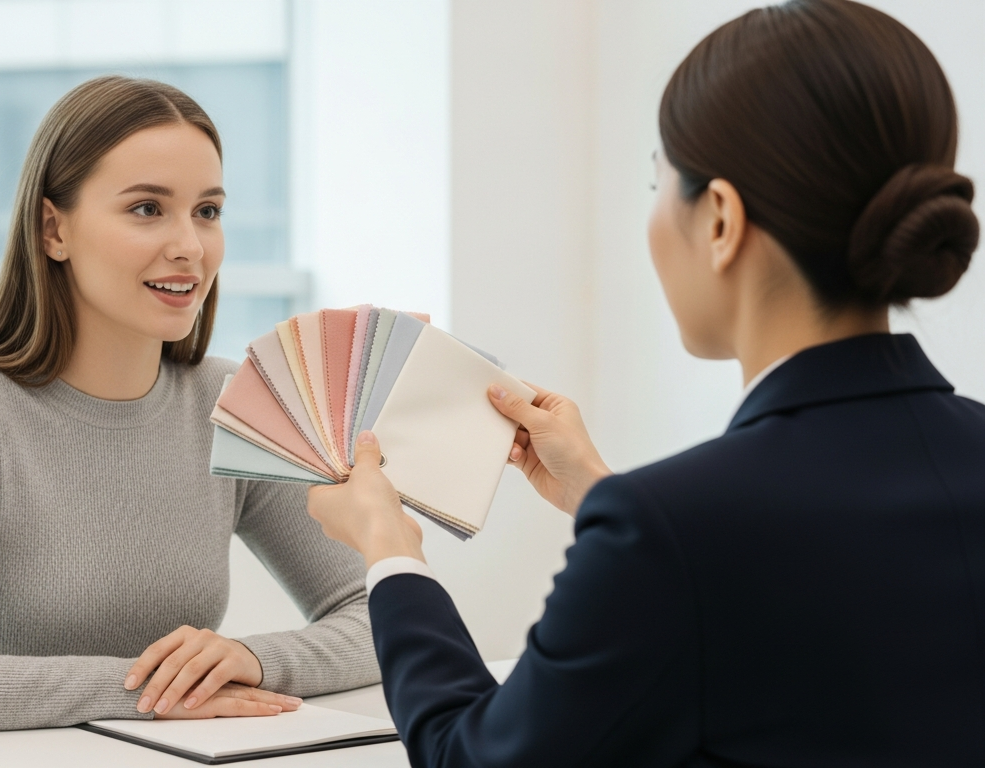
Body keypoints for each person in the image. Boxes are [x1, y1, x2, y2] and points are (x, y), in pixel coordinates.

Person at [306, 1, 985, 765]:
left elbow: (472, 755)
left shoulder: (672, 530)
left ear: (720, 220)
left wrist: (389, 550)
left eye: (657, 181)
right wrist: (597, 490)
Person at [0, 76, 379, 733]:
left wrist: (249, 660)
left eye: (208, 211)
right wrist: (149, 690)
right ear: (53, 229)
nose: (190, 247)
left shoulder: (232, 407)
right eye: (147, 209)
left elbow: (383, 615)